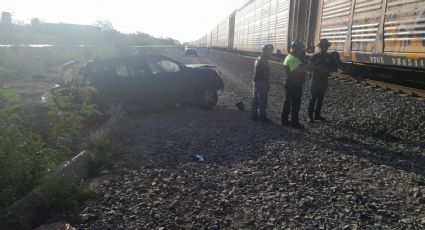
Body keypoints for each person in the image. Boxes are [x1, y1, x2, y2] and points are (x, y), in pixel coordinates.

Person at [281, 40, 315, 129]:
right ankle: (294, 123)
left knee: (288, 103)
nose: (301, 50)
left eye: (302, 48)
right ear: (294, 49)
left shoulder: (294, 57)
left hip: (293, 84)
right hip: (293, 84)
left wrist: (306, 65)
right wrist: (308, 67)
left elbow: (300, 66)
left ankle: (285, 120)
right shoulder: (291, 58)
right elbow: (296, 71)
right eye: (300, 48)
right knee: (294, 104)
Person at [307, 38, 339, 123]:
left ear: (327, 47)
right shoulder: (315, 56)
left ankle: (317, 116)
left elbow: (335, 68)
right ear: (320, 47)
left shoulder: (330, 57)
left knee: (321, 99)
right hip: (315, 80)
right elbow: (309, 67)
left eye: (325, 46)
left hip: (324, 80)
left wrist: (328, 69)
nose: (324, 48)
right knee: (313, 98)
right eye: (322, 46)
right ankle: (310, 116)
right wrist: (317, 68)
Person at [251, 44, 274, 122]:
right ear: (266, 51)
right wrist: (267, 84)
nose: (270, 53)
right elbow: (266, 75)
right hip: (262, 82)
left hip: (255, 81)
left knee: (256, 99)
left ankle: (254, 115)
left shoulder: (258, 59)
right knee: (263, 100)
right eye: (270, 52)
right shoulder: (264, 61)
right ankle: (262, 117)